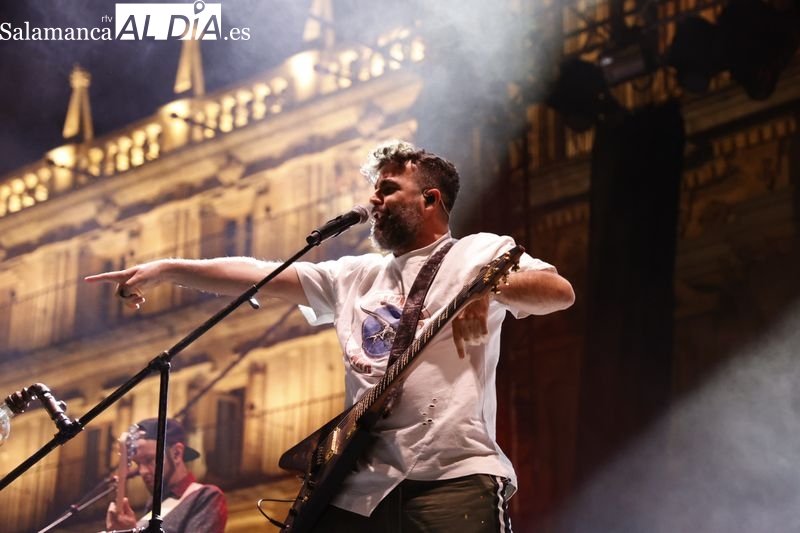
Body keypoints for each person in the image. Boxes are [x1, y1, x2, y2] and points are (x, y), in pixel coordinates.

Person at [86, 140, 574, 532]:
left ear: (430, 200)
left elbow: (558, 291)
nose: (373, 202)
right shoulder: (353, 276)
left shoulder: (478, 252)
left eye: (387, 189)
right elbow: (256, 274)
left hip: (452, 477)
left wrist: (482, 287)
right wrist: (167, 269)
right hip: (357, 488)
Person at [105, 418, 227, 533]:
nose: (143, 471)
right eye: (138, 463)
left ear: (176, 453)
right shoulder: (152, 506)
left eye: (149, 460)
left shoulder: (205, 497)